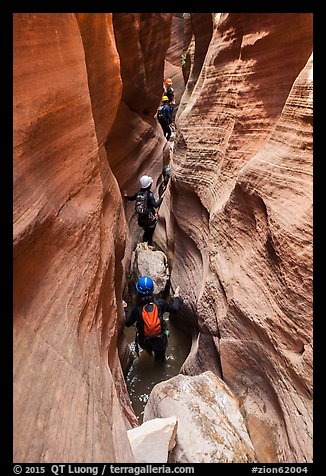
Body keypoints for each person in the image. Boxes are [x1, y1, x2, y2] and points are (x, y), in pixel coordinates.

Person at [124, 276, 180, 361]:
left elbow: (127, 323)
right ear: (152, 290)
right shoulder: (160, 304)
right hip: (160, 341)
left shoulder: (137, 309)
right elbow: (175, 309)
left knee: (148, 346)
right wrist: (176, 297)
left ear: (138, 292)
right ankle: (159, 363)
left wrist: (125, 309)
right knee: (160, 359)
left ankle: (149, 352)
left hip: (144, 341)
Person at [124, 175, 163, 246]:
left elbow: (132, 198)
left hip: (141, 221)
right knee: (150, 234)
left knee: (146, 233)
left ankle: (144, 245)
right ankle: (149, 247)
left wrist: (126, 196)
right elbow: (155, 205)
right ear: (149, 185)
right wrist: (161, 199)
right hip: (150, 221)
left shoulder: (139, 193)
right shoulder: (149, 194)